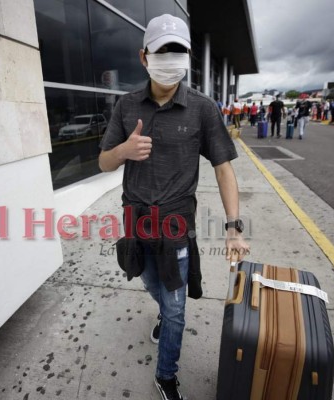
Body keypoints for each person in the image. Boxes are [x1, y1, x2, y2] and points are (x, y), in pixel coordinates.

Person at [98, 14, 249, 400]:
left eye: (178, 50)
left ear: (187, 57)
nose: (170, 57)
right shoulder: (126, 105)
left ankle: (166, 375)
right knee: (149, 281)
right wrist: (123, 151)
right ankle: (163, 311)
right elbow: (103, 161)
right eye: (162, 50)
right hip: (136, 219)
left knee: (177, 306)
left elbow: (224, 169)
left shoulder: (202, 108)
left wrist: (234, 226)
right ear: (144, 57)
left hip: (176, 223)